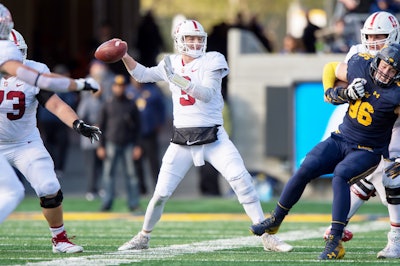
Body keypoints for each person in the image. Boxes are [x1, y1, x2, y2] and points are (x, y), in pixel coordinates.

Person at [116, 19, 293, 253]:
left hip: (213, 137)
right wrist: (123, 54)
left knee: (242, 181)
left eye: (199, 38)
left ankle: (266, 236)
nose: (196, 42)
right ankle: (143, 236)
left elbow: (207, 94)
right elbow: (142, 74)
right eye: (190, 38)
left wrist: (176, 78)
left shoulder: (213, 59)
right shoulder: (170, 62)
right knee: (160, 194)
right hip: (182, 140)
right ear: (179, 40)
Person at [250, 43, 400, 260]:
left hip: (368, 150)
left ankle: (335, 241)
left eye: (392, 70)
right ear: (378, 61)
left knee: (341, 175)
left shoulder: (396, 94)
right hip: (341, 138)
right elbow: (330, 68)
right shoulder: (360, 64)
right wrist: (339, 93)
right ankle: (275, 219)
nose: (385, 73)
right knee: (306, 168)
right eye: (384, 66)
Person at [1, 28, 101, 253]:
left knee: (49, 186)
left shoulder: (33, 72)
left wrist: (77, 123)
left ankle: (60, 240)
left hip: (24, 142)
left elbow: (53, 103)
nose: (13, 62)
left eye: (17, 55)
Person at [321, 11, 400, 244]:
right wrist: (337, 93)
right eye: (370, 36)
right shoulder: (358, 52)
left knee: (392, 180)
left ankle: (395, 238)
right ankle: (338, 226)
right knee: (369, 175)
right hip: (370, 126)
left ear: (394, 34)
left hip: (396, 126)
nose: (373, 42)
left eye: (381, 36)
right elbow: (333, 72)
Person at [96, 75, 142, 212]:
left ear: (125, 87)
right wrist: (100, 146)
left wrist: (138, 146)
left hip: (128, 143)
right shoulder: (107, 104)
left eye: (122, 86)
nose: (119, 89)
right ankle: (107, 202)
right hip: (111, 143)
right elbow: (101, 127)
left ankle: (133, 203)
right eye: (117, 86)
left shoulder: (131, 104)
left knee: (132, 175)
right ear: (113, 87)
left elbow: (139, 127)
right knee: (108, 174)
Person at [37, 64, 78, 178]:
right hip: (58, 120)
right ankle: (58, 167)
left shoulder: (45, 83)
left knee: (49, 143)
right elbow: (70, 103)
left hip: (46, 119)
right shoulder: (62, 85)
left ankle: (53, 165)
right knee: (61, 144)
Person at [129, 77, 166, 195]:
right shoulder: (128, 91)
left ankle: (158, 188)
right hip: (134, 134)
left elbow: (161, 107)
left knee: (153, 162)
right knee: (136, 162)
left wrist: (160, 122)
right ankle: (140, 188)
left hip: (149, 132)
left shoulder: (152, 91)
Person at [77, 89, 103, 201]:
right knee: (91, 166)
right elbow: (81, 118)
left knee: (100, 166)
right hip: (89, 141)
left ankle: (99, 187)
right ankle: (91, 189)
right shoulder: (86, 102)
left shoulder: (103, 100)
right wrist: (93, 125)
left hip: (101, 140)